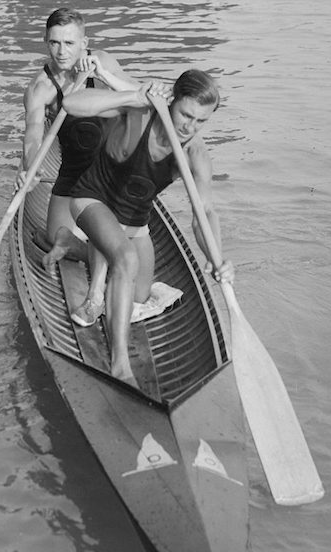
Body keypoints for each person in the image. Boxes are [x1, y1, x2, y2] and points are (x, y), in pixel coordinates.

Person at [60, 68, 234, 387]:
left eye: (201, 121)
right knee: (126, 259)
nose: (189, 127)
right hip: (91, 199)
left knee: (139, 295)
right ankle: (120, 365)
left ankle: (75, 246)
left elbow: (204, 211)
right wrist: (133, 95)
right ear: (171, 101)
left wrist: (218, 259)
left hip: (134, 220)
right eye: (185, 115)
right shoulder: (140, 112)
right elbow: (72, 103)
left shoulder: (196, 153)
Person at [19, 7, 139, 326]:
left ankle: (98, 290)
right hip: (73, 171)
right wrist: (29, 167)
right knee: (51, 236)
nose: (62, 51)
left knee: (96, 213)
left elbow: (141, 96)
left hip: (113, 168)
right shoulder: (40, 88)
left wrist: (102, 77)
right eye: (54, 43)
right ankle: (102, 251)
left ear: (85, 42)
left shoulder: (104, 61)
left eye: (70, 43)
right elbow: (33, 135)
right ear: (46, 42)